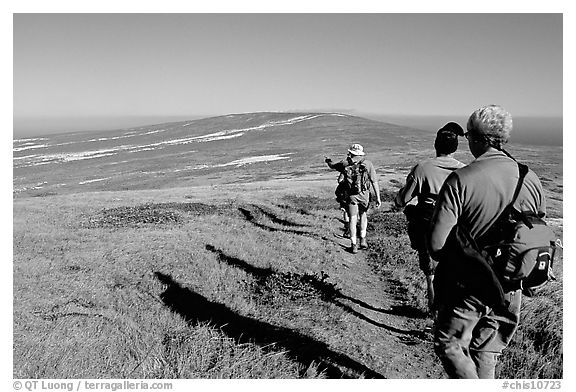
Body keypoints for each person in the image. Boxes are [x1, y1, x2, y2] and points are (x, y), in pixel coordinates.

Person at [427, 105, 546, 379]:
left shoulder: (461, 180)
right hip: (512, 284)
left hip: (471, 284)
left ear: (478, 139)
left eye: (468, 136)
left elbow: (436, 245)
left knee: (450, 344)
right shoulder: (531, 178)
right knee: (486, 351)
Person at [393, 122, 465, 316]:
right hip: (457, 225)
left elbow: (403, 198)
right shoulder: (465, 170)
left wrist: (399, 202)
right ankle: (451, 312)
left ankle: (434, 311)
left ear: (436, 144)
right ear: (455, 147)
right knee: (454, 267)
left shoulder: (422, 168)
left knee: (430, 270)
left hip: (428, 223)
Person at [325, 143, 382, 253]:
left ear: (350, 153)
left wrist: (328, 161)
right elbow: (374, 181)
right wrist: (378, 198)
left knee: (352, 218)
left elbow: (332, 166)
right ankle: (363, 239)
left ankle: (354, 245)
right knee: (363, 215)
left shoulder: (344, 163)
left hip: (351, 196)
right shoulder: (368, 164)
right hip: (364, 195)